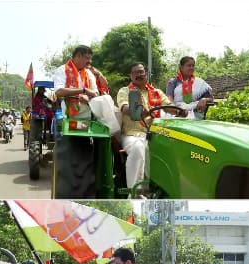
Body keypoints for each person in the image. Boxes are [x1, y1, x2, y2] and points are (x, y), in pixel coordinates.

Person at [116, 62, 187, 192]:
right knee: (138, 147)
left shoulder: (157, 92)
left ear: (146, 74)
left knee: (175, 149)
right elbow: (124, 108)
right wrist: (135, 110)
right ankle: (136, 193)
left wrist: (179, 111)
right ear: (130, 76)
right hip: (132, 134)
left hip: (155, 133)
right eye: (136, 73)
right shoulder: (125, 91)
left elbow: (169, 106)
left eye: (141, 72)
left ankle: (169, 190)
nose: (139, 75)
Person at [53, 45, 99, 119]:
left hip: (89, 114)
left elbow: (96, 93)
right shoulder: (62, 70)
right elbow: (59, 91)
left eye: (90, 59)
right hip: (70, 115)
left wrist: (87, 97)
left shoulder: (88, 73)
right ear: (78, 56)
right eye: (87, 58)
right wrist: (83, 90)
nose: (89, 62)